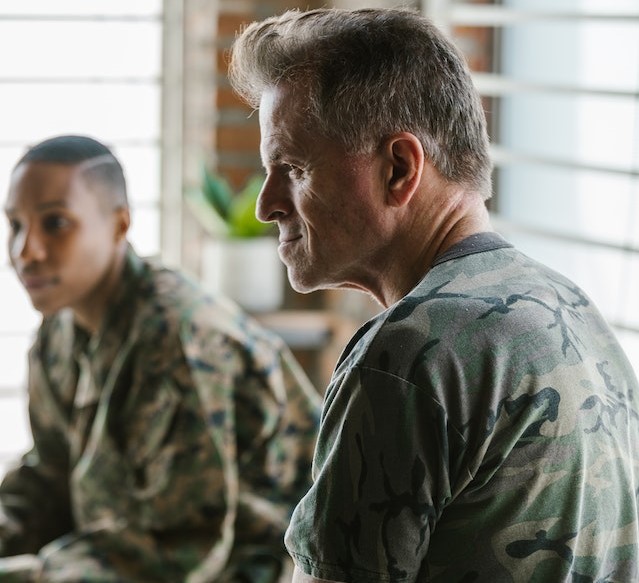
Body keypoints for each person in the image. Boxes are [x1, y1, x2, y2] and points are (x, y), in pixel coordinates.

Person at [228, 7, 639, 583]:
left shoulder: (409, 356)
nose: (265, 204)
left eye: (293, 167)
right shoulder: (571, 309)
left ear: (399, 167)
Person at [0, 134, 322, 582]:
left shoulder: (177, 339)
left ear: (119, 225)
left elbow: (179, 546)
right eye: (15, 225)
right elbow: (50, 475)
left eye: (55, 224)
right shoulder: (60, 328)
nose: (25, 252)